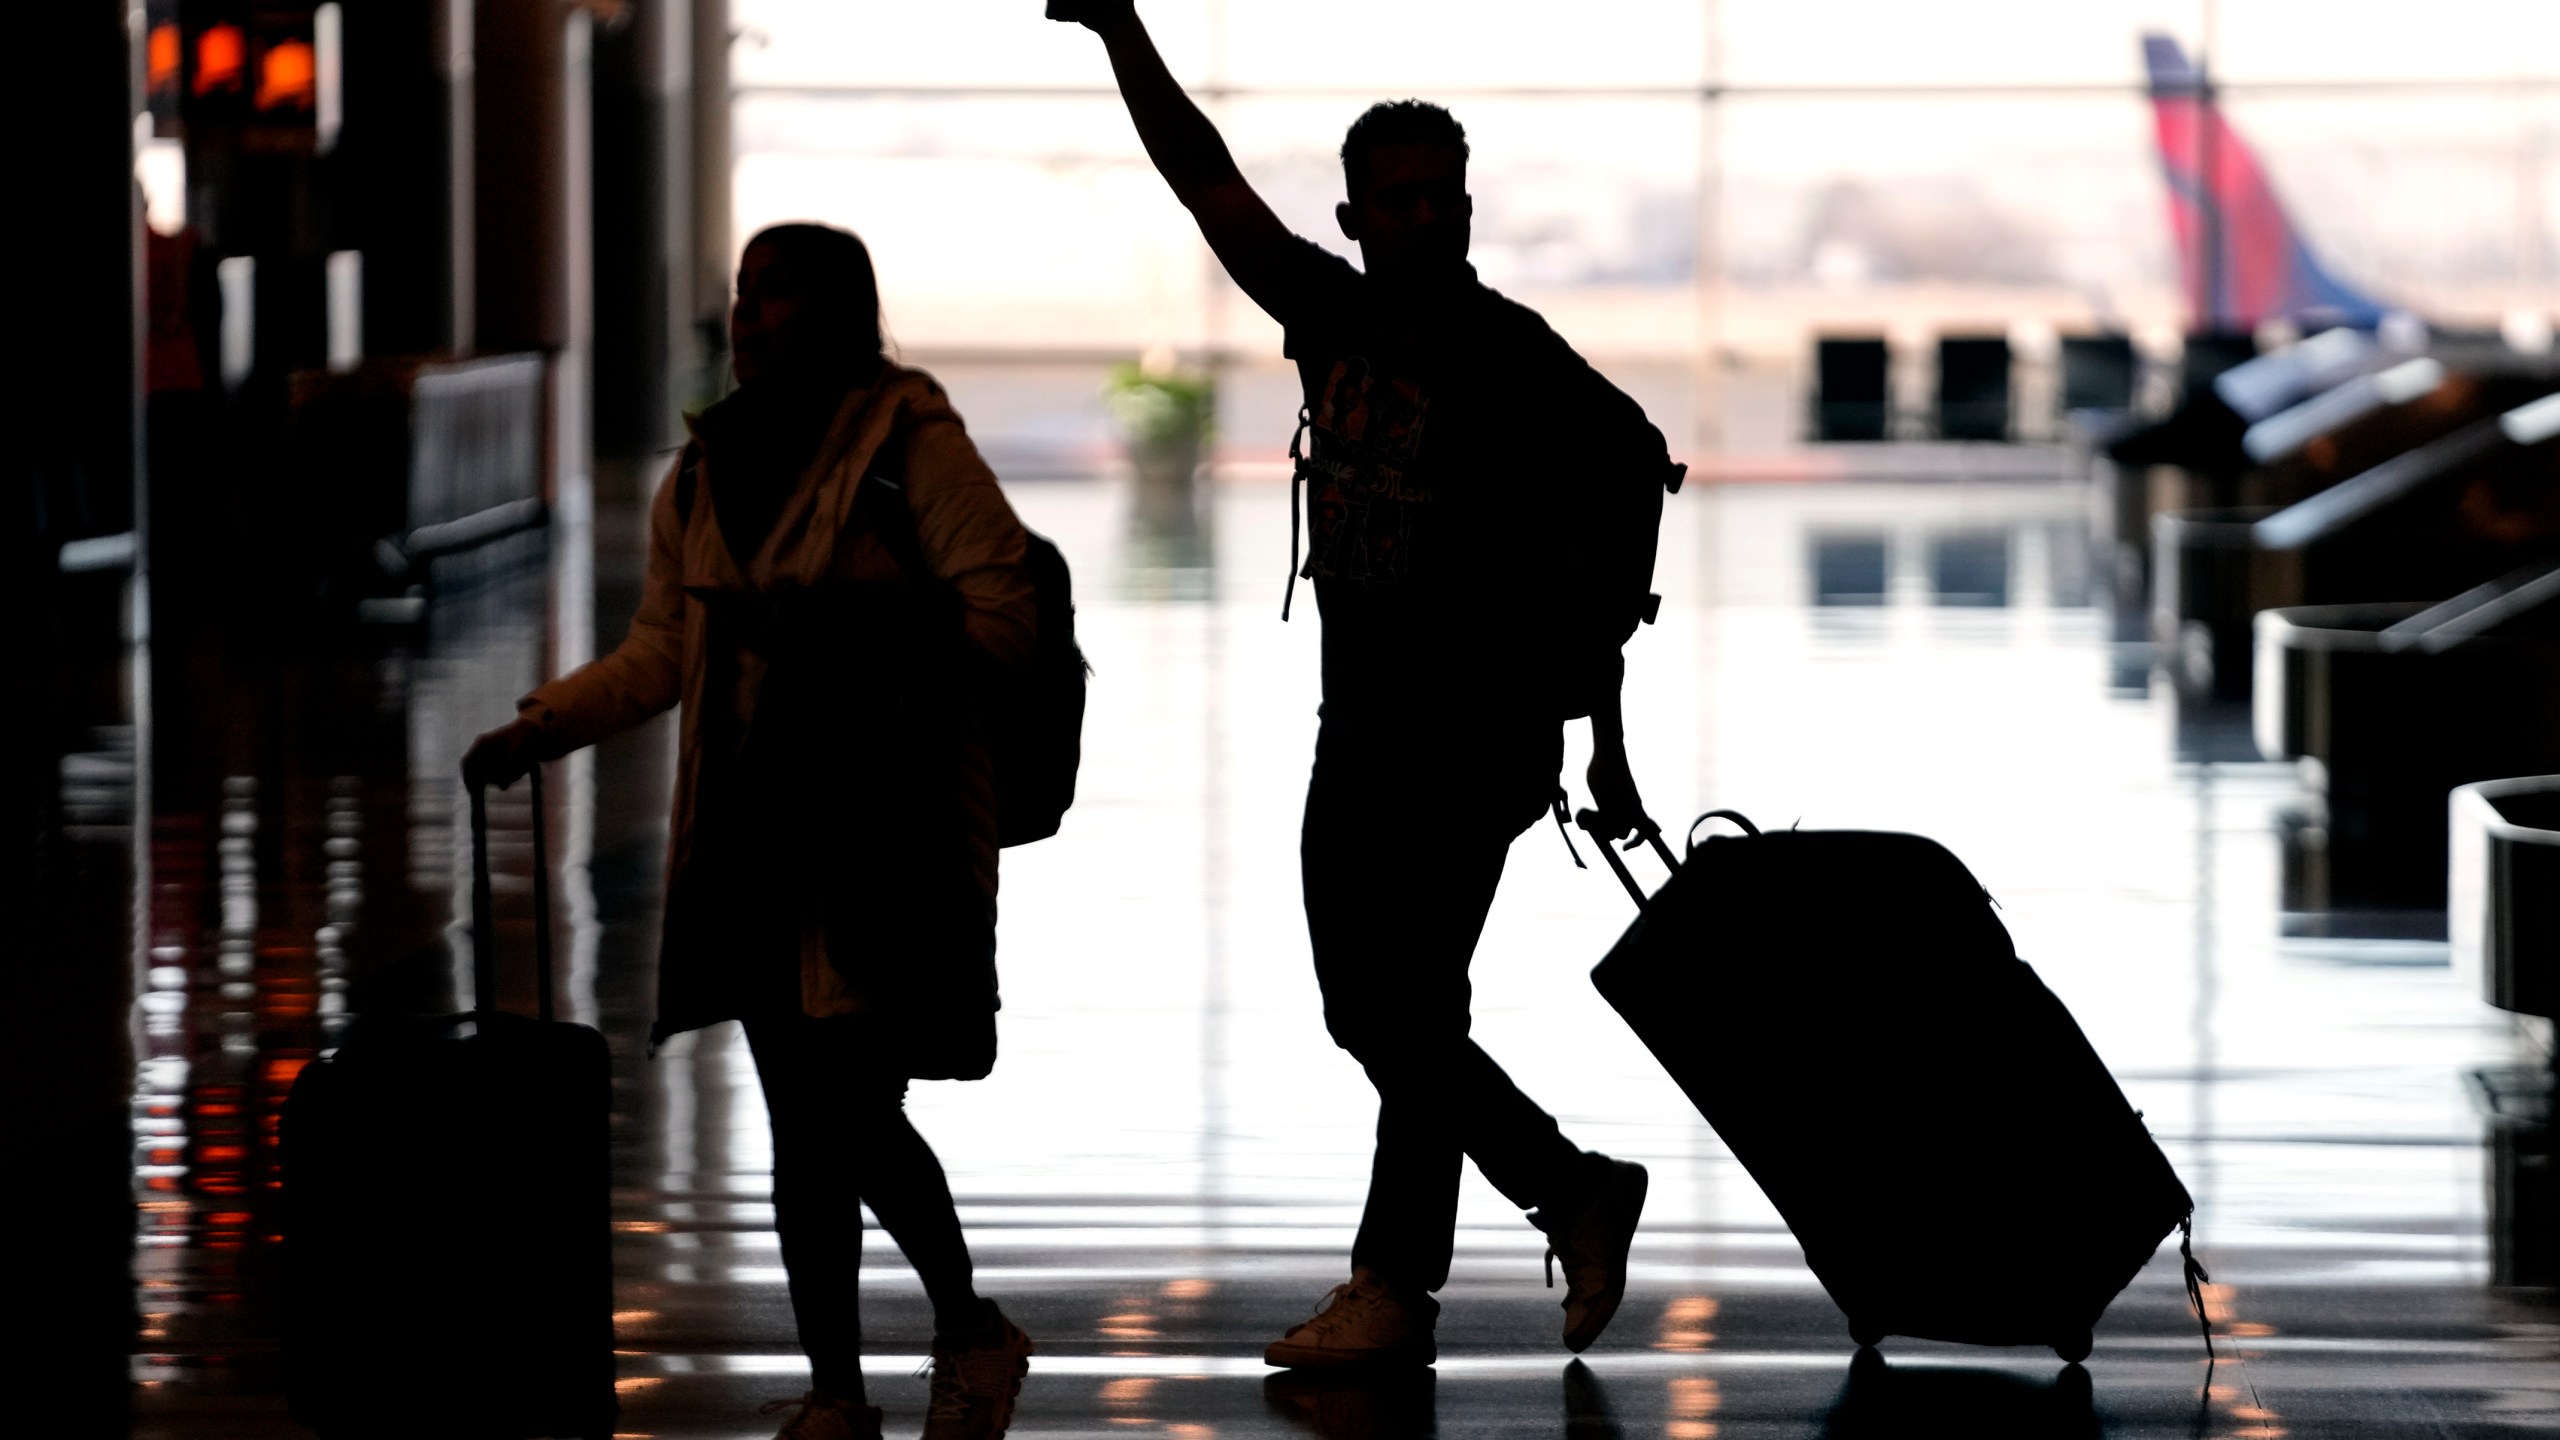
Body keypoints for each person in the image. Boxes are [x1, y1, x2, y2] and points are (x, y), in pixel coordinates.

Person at [1060, 2, 1676, 1371]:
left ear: (1464, 211)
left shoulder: (1507, 352)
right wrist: (1118, 30)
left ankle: (1516, 1220)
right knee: (1396, 1010)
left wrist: (1591, 701)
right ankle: (1445, 1262)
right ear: (1352, 217)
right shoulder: (1329, 316)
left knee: (1387, 1008)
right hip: (1368, 726)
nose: (1423, 220)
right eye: (1395, 201)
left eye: (1440, 200)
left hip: (1474, 735)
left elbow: (1634, 467)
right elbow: (1201, 176)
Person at [464, 223, 1039, 1440]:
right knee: (802, 1125)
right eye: (744, 297)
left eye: (776, 297)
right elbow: (667, 649)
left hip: (886, 835)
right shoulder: (710, 464)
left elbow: (1002, 617)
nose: (750, 320)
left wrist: (844, 628)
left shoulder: (911, 446)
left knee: (849, 1113)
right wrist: (541, 727)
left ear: (841, 315)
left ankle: (969, 1329)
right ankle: (839, 1386)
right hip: (750, 833)